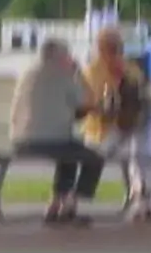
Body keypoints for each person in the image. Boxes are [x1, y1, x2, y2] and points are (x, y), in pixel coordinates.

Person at [9, 39, 100, 225]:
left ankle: (55, 204)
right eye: (67, 54)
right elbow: (86, 102)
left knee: (70, 153)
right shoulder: (63, 74)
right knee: (93, 158)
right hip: (51, 141)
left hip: (20, 140)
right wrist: (78, 73)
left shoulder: (28, 73)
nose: (70, 57)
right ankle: (69, 203)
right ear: (59, 57)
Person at [85, 25, 151, 223]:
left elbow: (143, 96)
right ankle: (143, 201)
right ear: (101, 50)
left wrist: (132, 90)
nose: (117, 53)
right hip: (101, 134)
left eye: (119, 48)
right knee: (137, 148)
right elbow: (96, 109)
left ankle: (144, 201)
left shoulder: (131, 69)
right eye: (112, 49)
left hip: (128, 131)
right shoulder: (91, 72)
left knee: (140, 143)